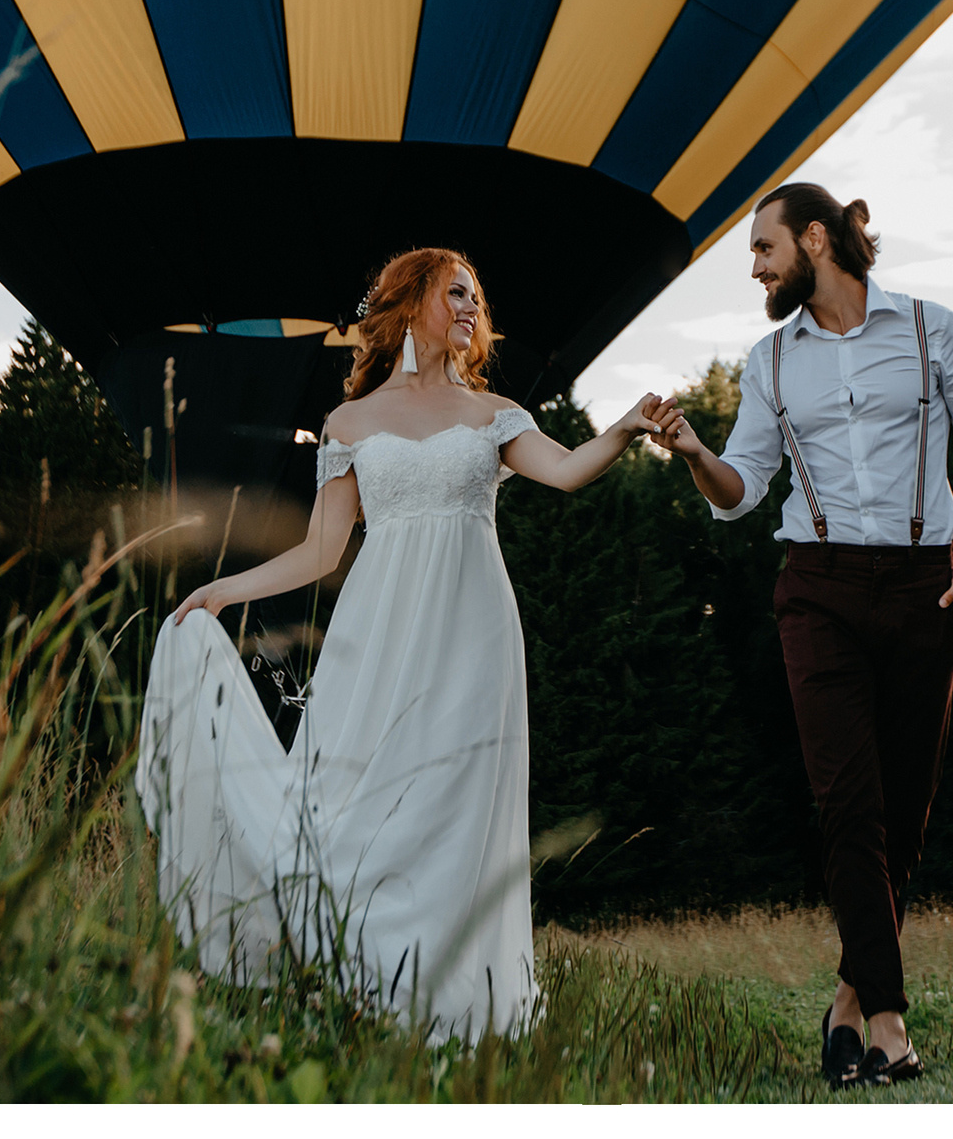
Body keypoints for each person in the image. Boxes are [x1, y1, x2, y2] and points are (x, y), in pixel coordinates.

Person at [135, 246, 663, 1041]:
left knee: (455, 804)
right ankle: (357, 985)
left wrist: (623, 428)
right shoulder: (349, 424)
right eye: (454, 292)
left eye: (475, 299)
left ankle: (453, 1003)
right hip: (377, 633)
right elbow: (320, 551)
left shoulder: (494, 415)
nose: (469, 308)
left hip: (473, 633)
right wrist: (223, 589)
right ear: (409, 300)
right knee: (350, 802)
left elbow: (565, 471)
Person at [654, 184, 953, 1090]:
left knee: (905, 806)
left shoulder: (935, 331)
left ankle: (847, 1004)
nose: (755, 267)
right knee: (846, 800)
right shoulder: (770, 362)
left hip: (923, 584)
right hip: (814, 589)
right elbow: (742, 490)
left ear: (815, 239)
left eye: (764, 248)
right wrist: (699, 456)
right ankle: (889, 1020)